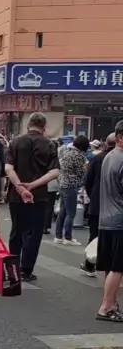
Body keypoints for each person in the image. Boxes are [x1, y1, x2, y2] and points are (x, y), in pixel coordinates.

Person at [5, 112, 59, 283]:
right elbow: (54, 172)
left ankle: (12, 269)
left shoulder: (15, 142)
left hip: (16, 195)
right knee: (34, 233)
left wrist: (20, 187)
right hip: (39, 195)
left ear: (28, 125)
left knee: (16, 231)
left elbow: (8, 168)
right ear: (44, 127)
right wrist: (32, 186)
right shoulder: (49, 144)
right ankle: (26, 270)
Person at [96, 120, 123, 322]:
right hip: (120, 220)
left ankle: (112, 304)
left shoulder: (109, 156)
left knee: (111, 266)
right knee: (118, 267)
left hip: (106, 218)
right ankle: (106, 307)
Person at [80, 132, 116, 277]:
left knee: (94, 234)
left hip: (97, 203)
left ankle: (90, 264)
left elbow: (88, 181)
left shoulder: (97, 158)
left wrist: (92, 196)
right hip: (115, 207)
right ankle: (113, 267)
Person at [54, 134, 90, 245]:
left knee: (63, 211)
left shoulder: (66, 151)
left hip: (62, 184)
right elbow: (81, 172)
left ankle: (58, 236)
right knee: (71, 213)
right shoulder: (78, 155)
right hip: (71, 186)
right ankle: (68, 237)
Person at [44, 140, 60, 234]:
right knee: (49, 207)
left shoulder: (41, 157)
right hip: (52, 185)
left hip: (41, 185)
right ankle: (45, 227)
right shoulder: (56, 159)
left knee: (42, 206)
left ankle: (41, 225)